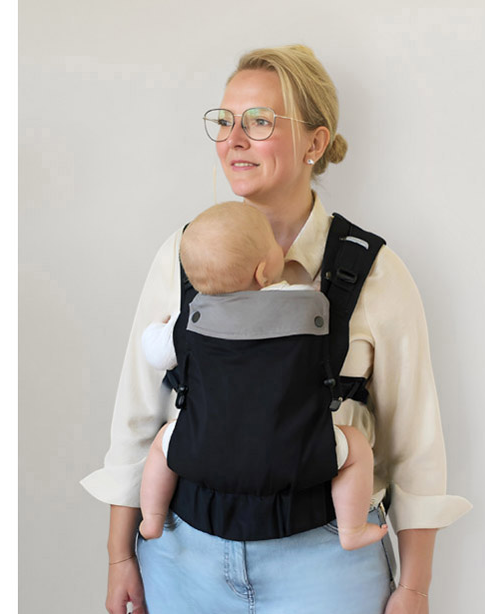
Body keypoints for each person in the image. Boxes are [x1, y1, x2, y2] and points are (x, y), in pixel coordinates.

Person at [80, 44, 472, 614]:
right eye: (225, 120)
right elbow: (137, 417)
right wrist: (119, 557)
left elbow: (416, 446)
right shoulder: (183, 255)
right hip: (183, 562)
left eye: (259, 121)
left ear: (316, 142)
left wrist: (414, 587)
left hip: (327, 566)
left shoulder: (372, 272)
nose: (234, 139)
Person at [137, 201, 389, 552]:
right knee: (357, 447)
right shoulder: (306, 305)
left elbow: (153, 353)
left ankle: (152, 519)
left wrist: (161, 327)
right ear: (262, 272)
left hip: (205, 452)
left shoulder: (188, 321)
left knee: (162, 444)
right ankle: (352, 528)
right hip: (295, 455)